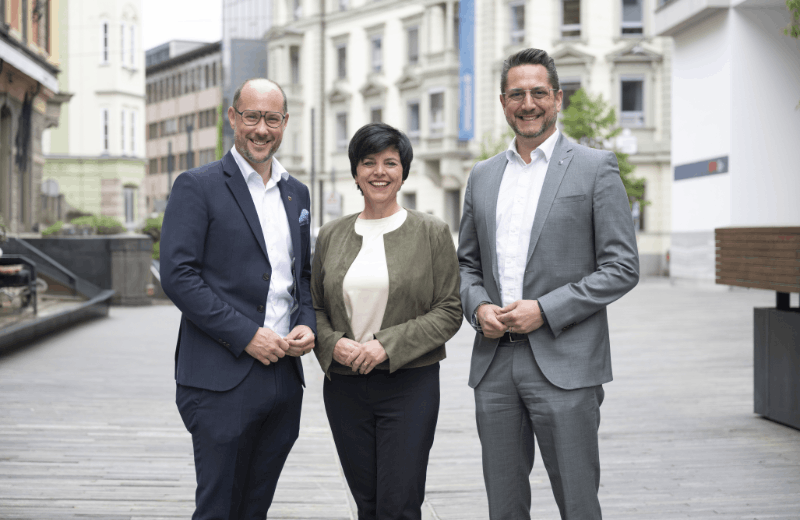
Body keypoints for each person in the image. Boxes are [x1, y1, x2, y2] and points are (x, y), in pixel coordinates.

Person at [457, 48, 639, 520]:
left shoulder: (595, 167)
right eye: (516, 94)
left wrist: (545, 309)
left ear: (558, 98)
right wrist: (477, 308)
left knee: (578, 504)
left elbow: (622, 266)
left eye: (538, 92)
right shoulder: (482, 176)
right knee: (504, 507)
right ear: (503, 102)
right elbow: (466, 266)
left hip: (567, 364)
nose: (528, 103)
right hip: (495, 366)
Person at [160, 78, 316, 520]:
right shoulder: (197, 185)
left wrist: (307, 323)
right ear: (233, 118)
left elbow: (302, 276)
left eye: (272, 119)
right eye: (252, 117)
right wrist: (247, 335)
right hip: (220, 380)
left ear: (285, 123)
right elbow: (178, 276)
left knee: (254, 509)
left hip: (283, 378)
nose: (261, 129)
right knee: (218, 509)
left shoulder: (297, 193)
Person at [311, 123, 462, 520]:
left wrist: (386, 345)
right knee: (368, 503)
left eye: (390, 163)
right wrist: (333, 343)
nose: (379, 172)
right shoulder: (330, 235)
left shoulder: (432, 232)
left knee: (399, 504)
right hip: (344, 386)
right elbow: (314, 308)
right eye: (369, 162)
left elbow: (449, 310)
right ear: (355, 172)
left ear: (404, 171)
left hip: (409, 385)